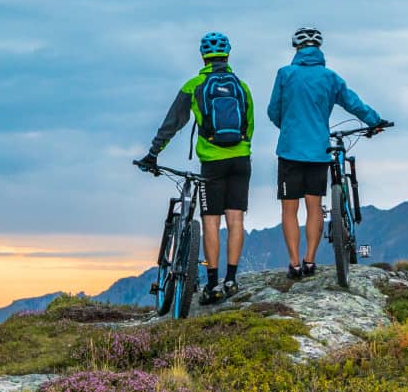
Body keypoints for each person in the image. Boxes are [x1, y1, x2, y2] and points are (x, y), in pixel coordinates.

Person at [137, 32, 253, 304]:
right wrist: (242, 147)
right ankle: (231, 280)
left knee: (211, 221)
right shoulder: (242, 86)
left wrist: (153, 153)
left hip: (212, 162)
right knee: (236, 220)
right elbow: (249, 125)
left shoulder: (195, 85)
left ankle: (212, 284)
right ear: (227, 55)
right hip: (241, 159)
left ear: (203, 57)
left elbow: (172, 124)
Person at [267, 27, 387, 279]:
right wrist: (374, 121)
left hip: (289, 151)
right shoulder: (330, 77)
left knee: (289, 209)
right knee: (314, 207)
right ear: (319, 49)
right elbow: (353, 103)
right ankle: (310, 261)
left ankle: (294, 264)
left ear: (297, 49)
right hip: (319, 151)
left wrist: (288, 127)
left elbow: (273, 111)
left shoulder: (285, 74)